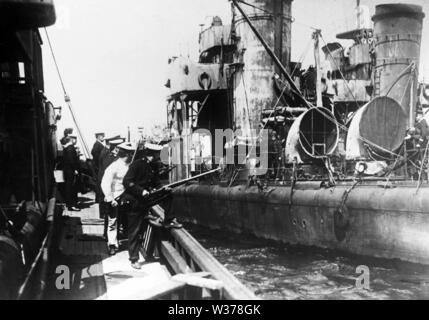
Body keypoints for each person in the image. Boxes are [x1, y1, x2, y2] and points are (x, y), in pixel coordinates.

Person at [122, 143, 167, 269]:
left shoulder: (153, 166)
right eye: (156, 154)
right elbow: (127, 182)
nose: (157, 157)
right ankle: (134, 259)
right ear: (150, 154)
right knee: (134, 231)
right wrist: (141, 191)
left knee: (142, 229)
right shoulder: (137, 164)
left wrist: (162, 188)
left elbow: (156, 182)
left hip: (144, 203)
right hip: (134, 202)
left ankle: (170, 219)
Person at [101, 142, 135, 256]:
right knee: (113, 221)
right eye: (130, 154)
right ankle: (112, 245)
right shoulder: (113, 167)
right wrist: (110, 198)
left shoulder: (130, 165)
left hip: (127, 196)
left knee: (127, 220)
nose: (131, 156)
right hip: (115, 197)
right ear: (126, 154)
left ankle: (130, 242)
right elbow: (105, 183)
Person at [62, 136, 81, 211]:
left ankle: (69, 204)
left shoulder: (67, 148)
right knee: (72, 188)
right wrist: (75, 169)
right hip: (71, 172)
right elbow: (71, 160)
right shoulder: (71, 148)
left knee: (69, 188)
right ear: (71, 140)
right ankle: (72, 205)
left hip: (67, 171)